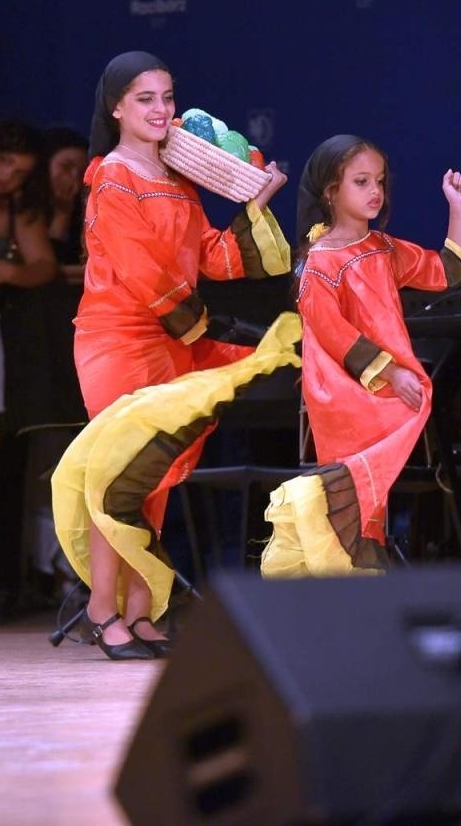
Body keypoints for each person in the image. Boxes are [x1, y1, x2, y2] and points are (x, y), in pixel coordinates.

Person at [51, 50, 299, 659]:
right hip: (120, 338)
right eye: (145, 99)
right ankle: (102, 609)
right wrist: (196, 328)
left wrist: (254, 207)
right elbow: (141, 272)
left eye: (167, 96)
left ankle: (141, 611)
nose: (161, 109)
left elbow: (210, 257)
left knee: (152, 481)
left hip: (168, 337)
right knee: (120, 476)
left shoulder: (179, 180)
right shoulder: (111, 176)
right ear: (116, 108)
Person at [261, 136, 461, 577]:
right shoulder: (319, 263)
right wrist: (393, 372)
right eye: (361, 181)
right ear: (330, 192)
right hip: (345, 395)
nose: (374, 191)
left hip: (380, 391)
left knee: (368, 506)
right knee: (351, 503)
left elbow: (445, 271)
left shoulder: (383, 248)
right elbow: (335, 335)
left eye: (378, 180)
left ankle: (359, 599)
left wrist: (458, 208)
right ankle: (345, 596)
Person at [0, 119, 58, 415]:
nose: (7, 176)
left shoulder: (15, 210)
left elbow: (44, 265)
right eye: (5, 161)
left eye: (19, 173)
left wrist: (9, 272)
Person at [40, 126, 91, 276]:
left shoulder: (83, 212)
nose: (74, 178)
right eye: (66, 167)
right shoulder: (20, 204)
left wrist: (63, 215)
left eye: (81, 173)